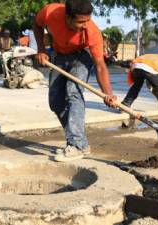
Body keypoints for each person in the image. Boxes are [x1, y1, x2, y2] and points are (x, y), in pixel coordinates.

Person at [33, 0, 117, 161]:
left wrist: (108, 94)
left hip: (81, 56)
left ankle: (76, 145)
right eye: (80, 21)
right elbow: (36, 25)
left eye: (88, 20)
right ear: (68, 17)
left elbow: (100, 65)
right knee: (55, 102)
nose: (85, 25)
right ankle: (82, 143)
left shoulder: (92, 32)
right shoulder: (50, 12)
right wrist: (41, 50)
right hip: (59, 56)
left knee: (74, 93)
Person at [121, 54, 158, 123]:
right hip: (149, 68)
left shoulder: (157, 58)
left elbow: (150, 84)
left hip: (136, 68)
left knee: (136, 86)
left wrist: (156, 93)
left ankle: (125, 104)